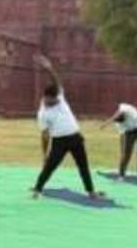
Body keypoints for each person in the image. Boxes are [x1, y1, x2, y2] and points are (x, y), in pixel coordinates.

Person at [31, 54, 102, 199]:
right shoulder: (43, 113)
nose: (58, 100)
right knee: (50, 167)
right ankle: (37, 190)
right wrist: (45, 154)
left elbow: (56, 81)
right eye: (54, 99)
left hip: (76, 138)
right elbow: (45, 135)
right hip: (59, 142)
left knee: (83, 166)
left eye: (58, 97)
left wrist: (49, 67)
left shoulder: (60, 97)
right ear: (46, 98)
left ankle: (91, 192)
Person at [99, 103, 137, 180]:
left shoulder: (124, 107)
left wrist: (107, 123)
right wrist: (123, 149)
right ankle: (121, 174)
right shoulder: (119, 123)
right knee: (126, 154)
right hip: (130, 132)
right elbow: (122, 135)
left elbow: (120, 112)